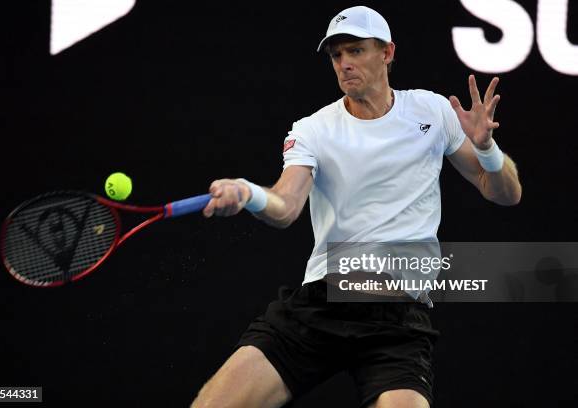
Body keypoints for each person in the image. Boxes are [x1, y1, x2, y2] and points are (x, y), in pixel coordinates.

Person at [192, 5, 521, 408]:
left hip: (397, 318)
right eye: (336, 55)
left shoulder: (433, 111)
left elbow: (504, 192)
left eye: (355, 51)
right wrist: (248, 192)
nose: (344, 64)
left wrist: (487, 149)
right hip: (323, 302)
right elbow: (285, 206)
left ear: (387, 53)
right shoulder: (313, 129)